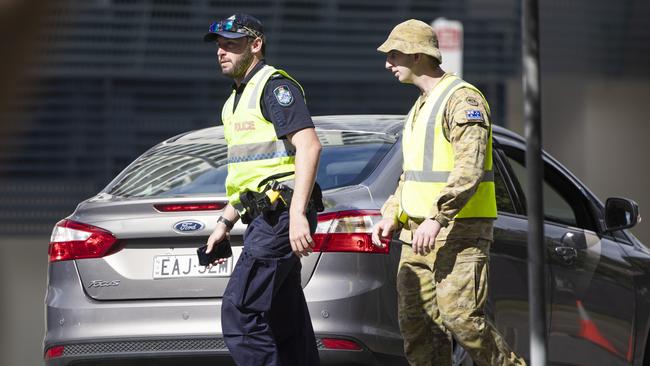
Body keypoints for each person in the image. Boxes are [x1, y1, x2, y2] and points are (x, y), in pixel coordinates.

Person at [371, 19, 527, 366]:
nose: (387, 63)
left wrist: (438, 218)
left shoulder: (462, 99)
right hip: (416, 236)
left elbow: (468, 169)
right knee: (418, 328)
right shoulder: (420, 106)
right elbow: (411, 176)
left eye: (394, 54)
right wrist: (391, 214)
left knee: (463, 321)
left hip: (458, 232)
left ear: (417, 55)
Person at [202, 13, 322, 366]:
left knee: (240, 312)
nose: (222, 52)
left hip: (281, 215)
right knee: (284, 321)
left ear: (256, 45)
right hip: (264, 215)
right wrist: (224, 223)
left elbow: (310, 146)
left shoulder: (274, 87)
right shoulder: (234, 101)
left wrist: (298, 213)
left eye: (232, 44)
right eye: (220, 45)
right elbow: (248, 174)